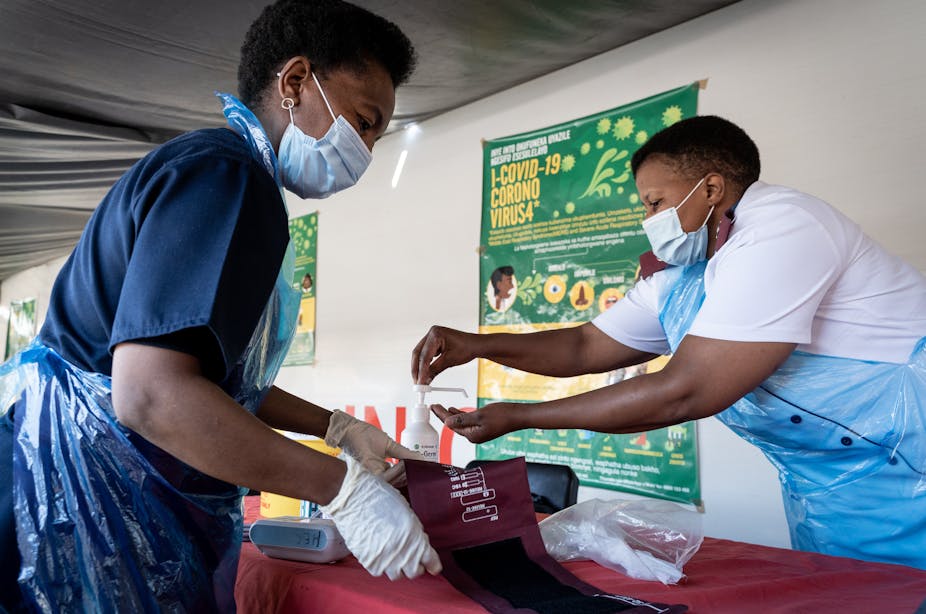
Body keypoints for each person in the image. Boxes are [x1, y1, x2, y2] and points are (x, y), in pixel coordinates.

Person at [0, 1, 441, 611]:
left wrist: (334, 428)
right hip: (87, 501)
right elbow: (152, 395)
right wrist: (344, 490)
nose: (364, 151)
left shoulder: (216, 172)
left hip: (88, 484)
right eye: (363, 122)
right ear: (293, 83)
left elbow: (210, 379)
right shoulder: (226, 178)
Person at [412, 115, 926, 569]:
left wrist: (519, 417)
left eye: (656, 202)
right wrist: (477, 345)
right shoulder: (690, 277)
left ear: (711, 188)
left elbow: (688, 389)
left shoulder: (786, 227)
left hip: (911, 470)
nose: (649, 221)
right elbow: (586, 348)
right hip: (831, 491)